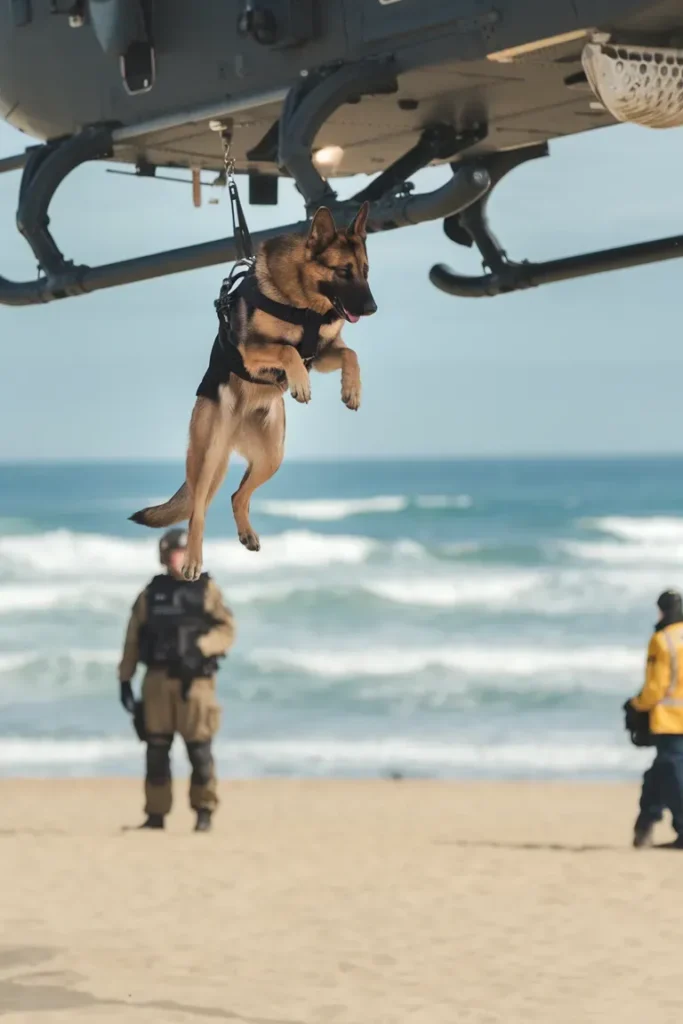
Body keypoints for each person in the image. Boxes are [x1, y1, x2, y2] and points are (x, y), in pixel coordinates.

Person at [118, 527, 235, 832]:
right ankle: (155, 815)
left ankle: (204, 812)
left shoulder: (207, 590)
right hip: (157, 682)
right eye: (174, 553)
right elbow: (132, 639)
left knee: (199, 750)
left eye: (184, 553)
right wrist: (124, 680)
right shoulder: (150, 594)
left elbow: (226, 630)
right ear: (164, 556)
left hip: (196, 685)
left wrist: (201, 648)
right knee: (156, 750)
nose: (178, 559)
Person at [629, 589, 683, 849]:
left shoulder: (663, 640)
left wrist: (635, 705)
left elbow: (655, 689)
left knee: (670, 775)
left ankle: (661, 825)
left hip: (671, 721)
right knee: (659, 775)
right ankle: (644, 826)